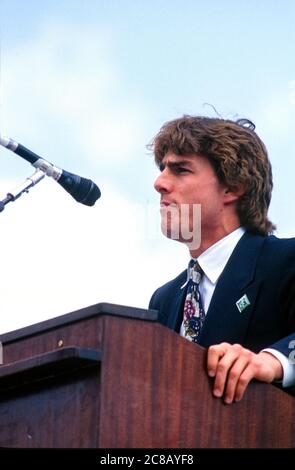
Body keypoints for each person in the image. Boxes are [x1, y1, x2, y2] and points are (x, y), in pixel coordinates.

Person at [148, 115, 295, 405]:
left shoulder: (287, 261)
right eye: (163, 168)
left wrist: (272, 361)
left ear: (233, 187)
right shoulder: (163, 302)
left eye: (181, 170)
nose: (159, 183)